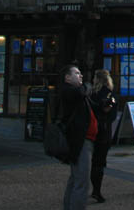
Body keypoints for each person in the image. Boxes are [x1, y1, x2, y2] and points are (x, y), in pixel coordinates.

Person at [59, 64, 97, 210]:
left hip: (85, 139)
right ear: (67, 78)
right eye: (77, 73)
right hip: (80, 141)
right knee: (82, 181)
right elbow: (83, 92)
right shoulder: (69, 91)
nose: (80, 75)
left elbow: (92, 105)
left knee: (76, 178)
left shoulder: (77, 92)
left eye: (80, 73)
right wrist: (88, 85)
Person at [89, 70, 117, 204]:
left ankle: (93, 189)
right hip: (104, 130)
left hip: (91, 129)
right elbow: (110, 110)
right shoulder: (109, 94)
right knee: (99, 161)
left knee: (93, 160)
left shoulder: (90, 94)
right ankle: (96, 190)